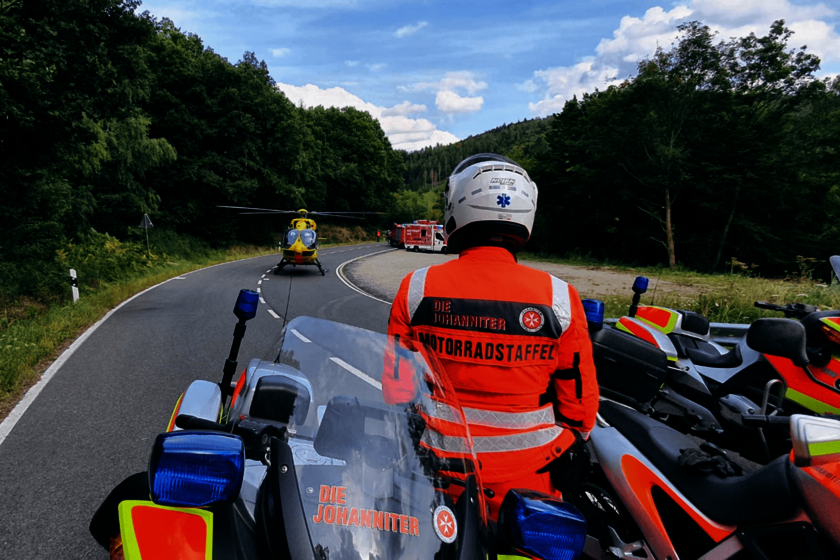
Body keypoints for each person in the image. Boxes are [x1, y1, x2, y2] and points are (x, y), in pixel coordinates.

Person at [383, 153, 599, 519]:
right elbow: (579, 410)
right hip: (528, 487)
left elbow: (397, 391)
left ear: (457, 207)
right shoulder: (560, 297)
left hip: (434, 475)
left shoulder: (416, 288)